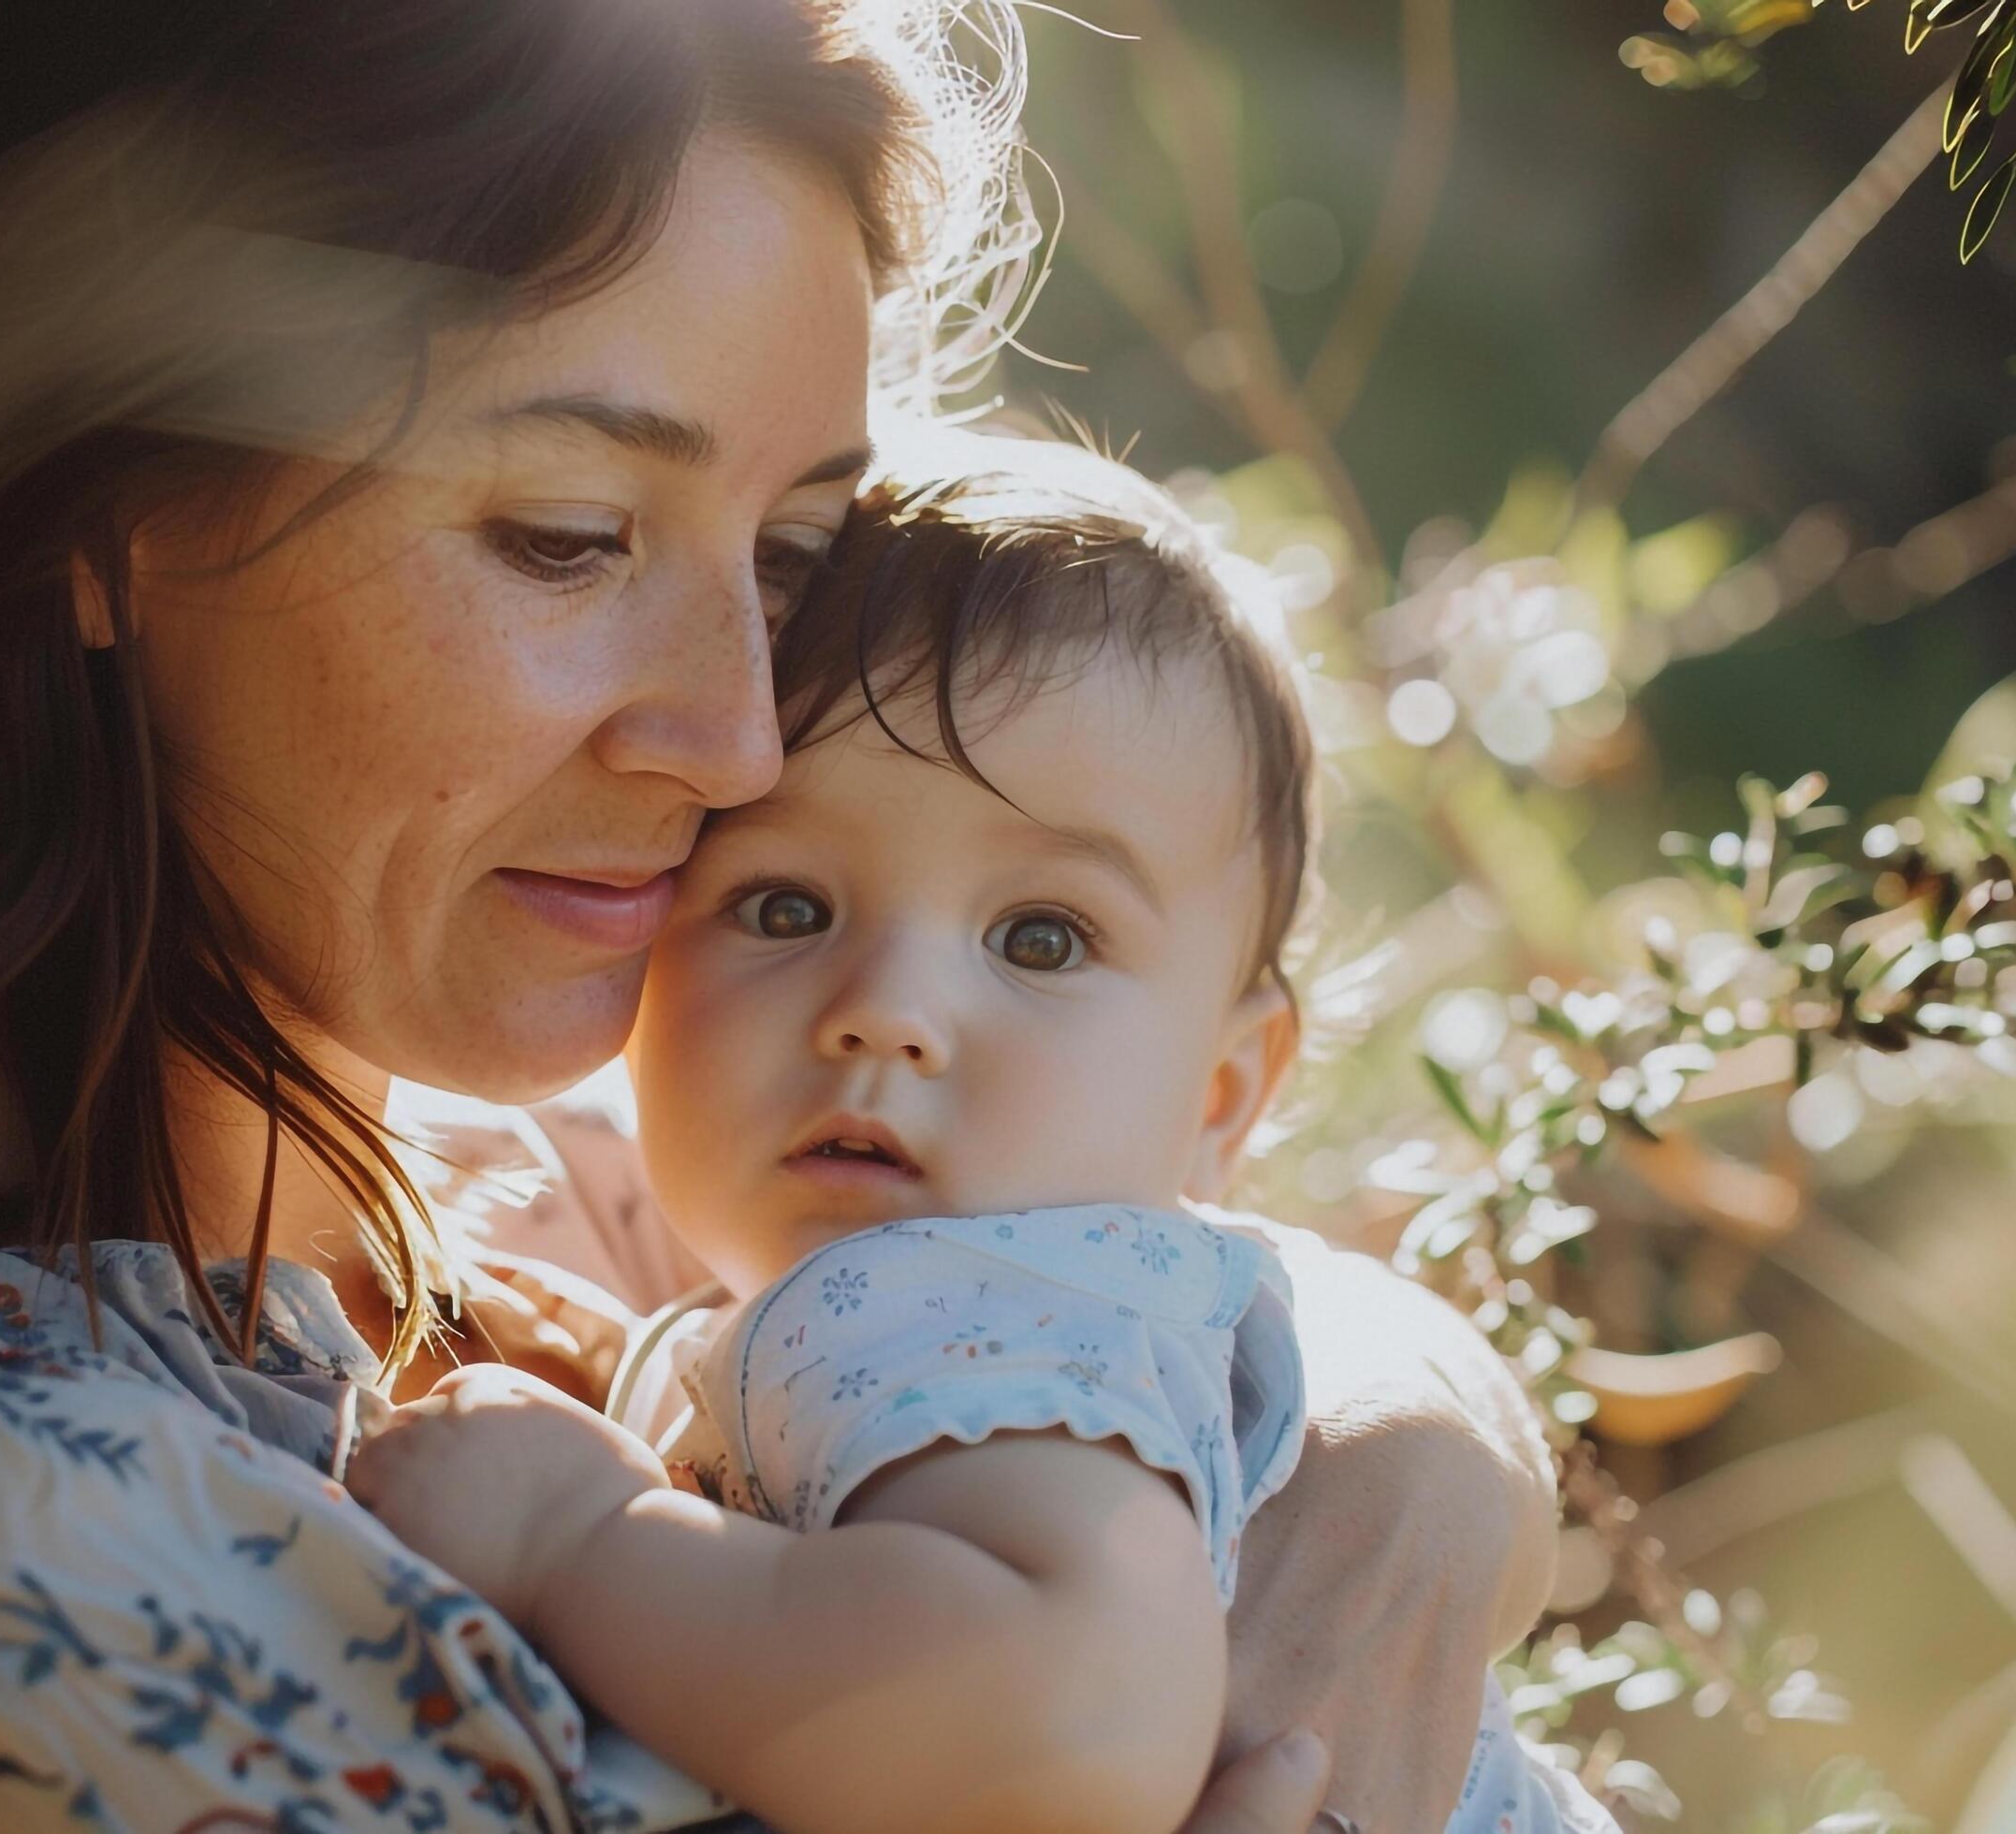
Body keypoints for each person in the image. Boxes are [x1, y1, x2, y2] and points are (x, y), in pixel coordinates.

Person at [0, 2, 1557, 1827]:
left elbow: (1148, 1269)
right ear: (94, 509)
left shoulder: (541, 1160)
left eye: (789, 555)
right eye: (569, 537)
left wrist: (1409, 1462)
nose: (741, 732)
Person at [349, 437, 1614, 1834]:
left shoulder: (941, 1299)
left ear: (1221, 1094)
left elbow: (1075, 1716)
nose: (887, 1015)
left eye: (1040, 936)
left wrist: (577, 1539)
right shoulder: (874, 1310)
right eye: (783, 906)